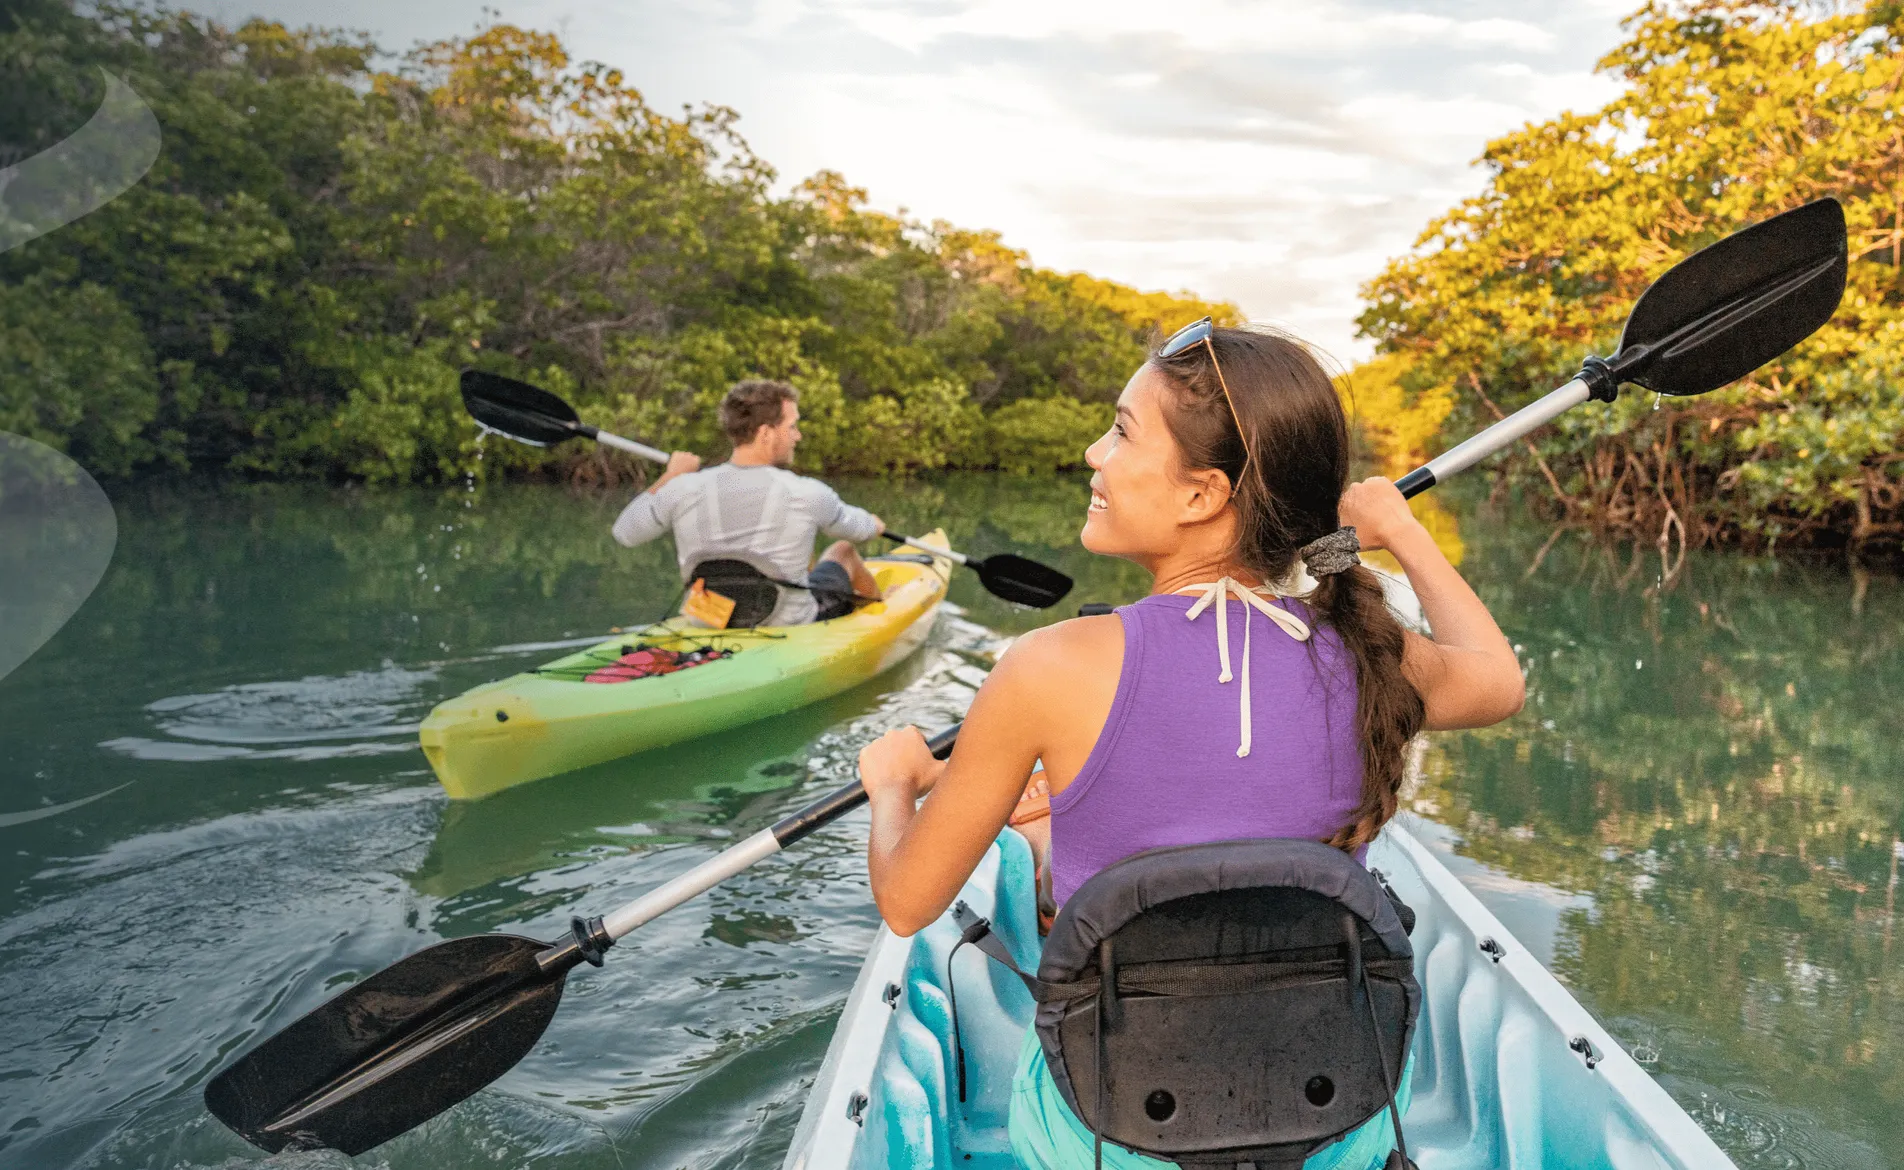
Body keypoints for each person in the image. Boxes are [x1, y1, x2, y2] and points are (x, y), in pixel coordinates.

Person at [853, 321, 1527, 1169]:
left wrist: (892, 783)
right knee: (1053, 826)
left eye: (1123, 431)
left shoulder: (1048, 666)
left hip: (1110, 1138)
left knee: (1036, 844)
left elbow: (909, 903)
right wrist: (1395, 530)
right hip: (1332, 1125)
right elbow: (1498, 679)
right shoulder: (1371, 652)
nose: (1096, 454)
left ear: (1203, 493)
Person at [612, 379, 886, 626]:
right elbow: (859, 529)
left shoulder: (684, 487)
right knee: (842, 551)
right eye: (792, 426)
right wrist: (874, 525)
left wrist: (670, 476)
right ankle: (884, 615)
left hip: (707, 622)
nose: (797, 436)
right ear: (766, 433)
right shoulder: (807, 492)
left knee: (806, 556)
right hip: (786, 623)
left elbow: (625, 532)